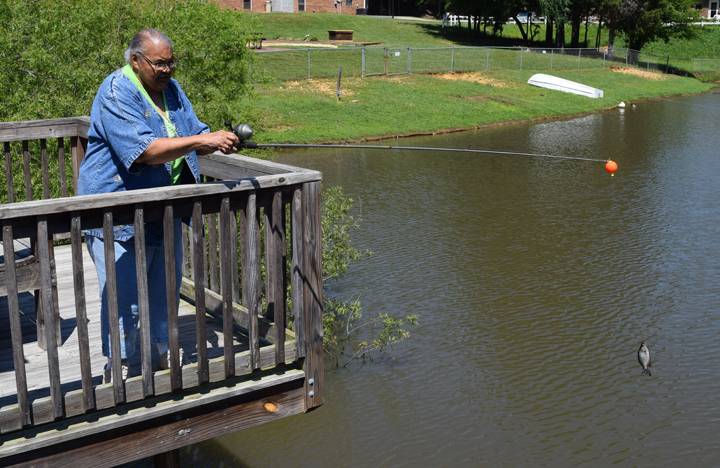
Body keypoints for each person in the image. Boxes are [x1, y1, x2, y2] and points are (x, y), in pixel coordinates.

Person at [78, 29, 238, 381]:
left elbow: (193, 130)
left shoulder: (172, 91)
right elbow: (145, 151)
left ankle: (161, 363)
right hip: (115, 213)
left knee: (164, 292)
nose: (167, 69)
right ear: (136, 61)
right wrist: (200, 139)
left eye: (171, 62)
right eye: (159, 63)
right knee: (125, 300)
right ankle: (123, 373)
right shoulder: (117, 92)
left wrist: (217, 141)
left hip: (164, 209)